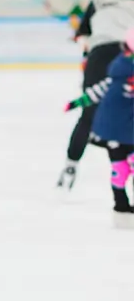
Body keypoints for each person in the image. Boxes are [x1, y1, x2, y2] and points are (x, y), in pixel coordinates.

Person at [59, 0, 134, 191]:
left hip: (98, 53)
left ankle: (70, 165)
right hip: (129, 54)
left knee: (89, 114)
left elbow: (83, 32)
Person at [64, 27, 134, 229]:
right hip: (115, 131)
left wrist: (77, 103)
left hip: (116, 130)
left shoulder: (117, 70)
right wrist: (77, 103)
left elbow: (97, 91)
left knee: (121, 168)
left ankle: (121, 207)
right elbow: (98, 91)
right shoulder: (118, 72)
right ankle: (121, 207)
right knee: (120, 169)